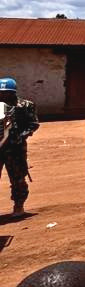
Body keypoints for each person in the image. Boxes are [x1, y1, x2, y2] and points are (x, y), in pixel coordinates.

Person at [0, 76, 39, 217]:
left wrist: (22, 135)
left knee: (18, 179)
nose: (3, 95)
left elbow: (33, 124)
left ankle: (19, 206)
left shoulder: (25, 105)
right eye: (1, 92)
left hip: (15, 149)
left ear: (13, 92)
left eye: (7, 92)